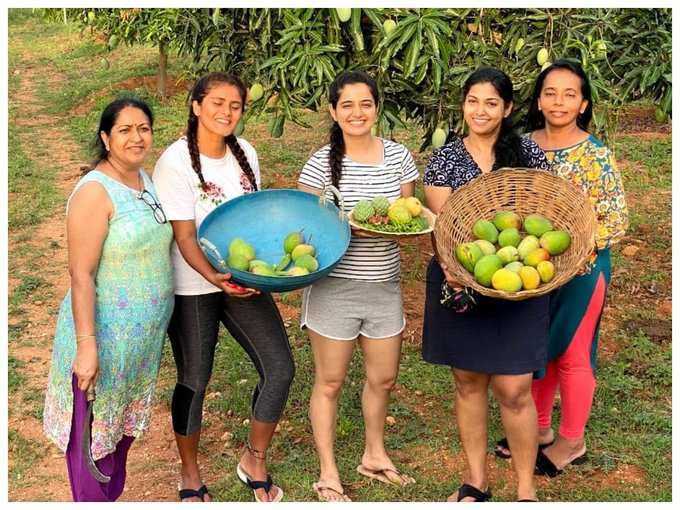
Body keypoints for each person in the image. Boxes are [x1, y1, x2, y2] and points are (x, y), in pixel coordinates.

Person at [152, 72, 293, 503]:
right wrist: (214, 277)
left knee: (280, 368)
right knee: (195, 377)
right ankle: (189, 472)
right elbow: (184, 237)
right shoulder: (174, 162)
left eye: (235, 105)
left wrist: (262, 272)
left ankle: (254, 457)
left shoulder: (245, 152)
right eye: (216, 102)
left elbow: (252, 220)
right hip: (194, 282)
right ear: (196, 106)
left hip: (241, 278)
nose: (225, 112)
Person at [493, 60, 628, 477]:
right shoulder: (520, 146)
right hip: (533, 269)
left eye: (570, 94)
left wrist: (570, 249)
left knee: (571, 353)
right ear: (538, 99)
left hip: (583, 270)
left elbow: (616, 219)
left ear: (583, 103)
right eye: (551, 92)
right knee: (540, 350)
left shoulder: (595, 155)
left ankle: (573, 440)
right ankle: (542, 429)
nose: (559, 102)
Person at [421, 67, 551, 502]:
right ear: (463, 105)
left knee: (515, 389)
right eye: (473, 101)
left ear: (508, 108)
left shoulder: (528, 154)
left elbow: (544, 213)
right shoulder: (446, 158)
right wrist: (462, 267)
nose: (481, 110)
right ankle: (477, 479)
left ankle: (525, 487)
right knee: (469, 381)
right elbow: (448, 228)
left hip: (520, 284)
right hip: (462, 282)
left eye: (491, 102)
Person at [43, 98, 173, 501]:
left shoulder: (144, 179)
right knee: (91, 444)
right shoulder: (95, 193)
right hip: (101, 341)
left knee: (115, 436)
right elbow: (81, 275)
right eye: (125, 130)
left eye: (144, 128)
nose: (137, 137)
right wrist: (87, 347)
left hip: (137, 345)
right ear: (105, 137)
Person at [297, 70, 418, 502]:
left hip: (384, 285)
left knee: (383, 378)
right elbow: (308, 233)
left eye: (365, 103)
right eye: (346, 105)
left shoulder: (400, 157)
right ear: (333, 111)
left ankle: (374, 454)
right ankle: (328, 472)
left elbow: (407, 215)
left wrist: (390, 226)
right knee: (329, 382)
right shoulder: (318, 163)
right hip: (336, 288)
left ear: (376, 107)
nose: (357, 112)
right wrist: (348, 228)